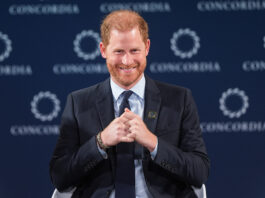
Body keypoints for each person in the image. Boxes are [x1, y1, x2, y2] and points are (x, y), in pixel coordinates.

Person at [50, 10, 210, 198]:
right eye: (118, 51)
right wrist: (100, 142)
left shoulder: (179, 99)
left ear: (147, 47)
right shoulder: (79, 103)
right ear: (103, 50)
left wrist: (154, 143)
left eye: (134, 50)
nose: (127, 61)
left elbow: (199, 172)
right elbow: (60, 176)